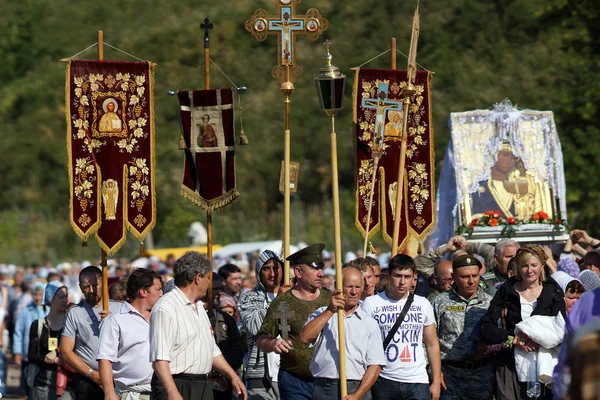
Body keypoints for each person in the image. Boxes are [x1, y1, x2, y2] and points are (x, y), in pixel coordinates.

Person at [149, 251, 246, 400]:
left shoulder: (200, 308)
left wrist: (233, 376)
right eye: (208, 278)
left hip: (203, 385)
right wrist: (172, 392)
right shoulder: (166, 307)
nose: (209, 283)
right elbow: (159, 358)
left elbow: (211, 349)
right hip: (177, 384)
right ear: (197, 278)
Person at [480, 244, 565, 400]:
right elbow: (486, 327)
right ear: (518, 267)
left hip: (543, 364)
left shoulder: (553, 291)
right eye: (524, 265)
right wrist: (513, 339)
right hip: (510, 365)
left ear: (542, 266)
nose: (529, 270)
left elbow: (562, 329)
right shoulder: (507, 290)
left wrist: (539, 340)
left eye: (534, 265)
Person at [256, 244, 332, 400]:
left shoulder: (330, 299)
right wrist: (272, 344)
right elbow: (261, 337)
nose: (320, 274)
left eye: (321, 269)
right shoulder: (282, 302)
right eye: (314, 269)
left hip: (327, 381)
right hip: (294, 381)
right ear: (298, 272)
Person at [361, 254, 442, 400]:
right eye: (398, 275)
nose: (402, 282)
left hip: (417, 381)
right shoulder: (371, 303)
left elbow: (432, 344)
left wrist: (436, 381)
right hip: (383, 379)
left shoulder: (423, 304)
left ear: (413, 277)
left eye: (407, 276)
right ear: (389, 275)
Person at [300, 267, 386, 400]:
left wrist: (358, 395)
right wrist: (330, 311)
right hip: (325, 388)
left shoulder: (369, 322)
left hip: (356, 386)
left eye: (357, 287)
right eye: (349, 286)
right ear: (337, 286)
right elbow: (305, 337)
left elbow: (375, 365)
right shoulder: (322, 313)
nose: (353, 292)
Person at [431, 254, 494, 399]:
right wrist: (433, 372)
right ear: (453, 276)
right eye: (465, 276)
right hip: (449, 377)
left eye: (475, 276)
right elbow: (427, 341)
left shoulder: (491, 303)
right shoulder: (439, 302)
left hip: (482, 376)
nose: (471, 281)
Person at [97, 268, 163, 400]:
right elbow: (105, 358)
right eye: (158, 289)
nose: (161, 294)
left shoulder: (162, 316)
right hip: (133, 394)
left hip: (163, 392)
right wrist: (109, 392)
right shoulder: (115, 321)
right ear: (143, 292)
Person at [60, 266, 121, 400]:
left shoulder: (121, 308)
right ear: (80, 288)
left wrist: (114, 321)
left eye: (95, 285)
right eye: (87, 287)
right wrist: (91, 374)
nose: (91, 290)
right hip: (88, 381)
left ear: (104, 283)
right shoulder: (75, 312)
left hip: (118, 378)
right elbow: (65, 350)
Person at [238, 250, 286, 400]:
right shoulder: (249, 298)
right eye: (267, 269)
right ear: (259, 272)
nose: (272, 274)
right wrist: (278, 300)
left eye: (276, 268)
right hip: (261, 378)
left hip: (290, 375)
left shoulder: (294, 296)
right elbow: (255, 327)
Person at [28, 281, 68, 400]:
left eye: (66, 296)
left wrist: (57, 355)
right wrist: (49, 359)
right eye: (61, 297)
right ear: (51, 298)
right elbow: (31, 356)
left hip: (67, 386)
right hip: (41, 385)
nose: (65, 300)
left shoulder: (70, 324)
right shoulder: (38, 325)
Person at [13, 282, 46, 396]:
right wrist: (17, 352)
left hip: (43, 354)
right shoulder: (25, 311)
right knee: (28, 380)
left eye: (40, 294)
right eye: (35, 294)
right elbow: (18, 332)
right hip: (28, 353)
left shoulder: (48, 310)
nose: (38, 298)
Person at [210, 292, 244, 400]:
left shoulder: (227, 320)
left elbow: (237, 349)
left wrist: (222, 366)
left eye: (231, 312)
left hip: (224, 383)